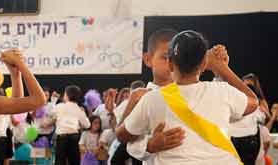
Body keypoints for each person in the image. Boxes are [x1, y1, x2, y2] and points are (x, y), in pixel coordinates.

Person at [116, 30, 259, 164]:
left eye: (168, 57)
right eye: (163, 56)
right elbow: (123, 138)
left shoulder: (151, 99)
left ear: (171, 63)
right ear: (203, 65)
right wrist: (220, 67)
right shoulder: (145, 97)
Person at [112, 29, 185, 165]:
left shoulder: (190, 92)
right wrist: (149, 145)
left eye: (177, 58)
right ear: (147, 59)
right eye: (165, 57)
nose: (172, 63)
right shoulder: (139, 97)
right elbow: (124, 138)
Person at [46, 85, 90, 165]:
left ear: (67, 95)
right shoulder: (78, 109)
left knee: (59, 162)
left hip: (61, 138)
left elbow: (50, 113)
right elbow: (87, 125)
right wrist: (83, 113)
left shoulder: (60, 106)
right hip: (74, 138)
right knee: (74, 162)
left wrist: (53, 101)